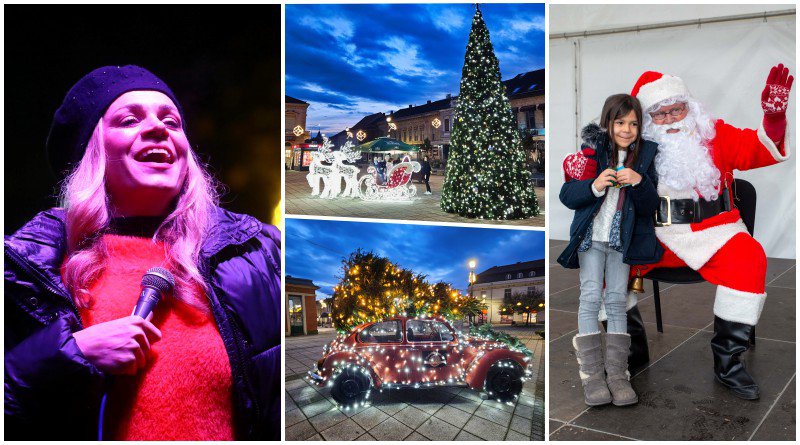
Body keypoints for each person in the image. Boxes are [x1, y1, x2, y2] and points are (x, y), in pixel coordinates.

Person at [4, 66, 281, 440]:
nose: (158, 128)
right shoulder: (26, 269)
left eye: (172, 121)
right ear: (91, 150)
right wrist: (66, 354)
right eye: (129, 119)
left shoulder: (258, 252)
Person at [623, 65, 793, 400]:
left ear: (690, 107)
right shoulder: (633, 148)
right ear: (645, 119)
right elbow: (598, 175)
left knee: (750, 258)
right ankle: (630, 349)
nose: (671, 118)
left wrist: (774, 118)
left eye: (677, 109)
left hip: (716, 231)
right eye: (659, 113)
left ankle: (728, 363)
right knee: (603, 263)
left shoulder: (715, 134)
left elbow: (759, 148)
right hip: (655, 235)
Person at [558, 94, 661, 407]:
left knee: (616, 302)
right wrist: (595, 185)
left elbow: (650, 206)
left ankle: (618, 375)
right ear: (608, 123)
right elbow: (567, 196)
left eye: (633, 123)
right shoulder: (591, 153)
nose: (627, 129)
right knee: (590, 298)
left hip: (621, 241)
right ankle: (592, 376)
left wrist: (640, 182)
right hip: (591, 239)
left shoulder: (645, 156)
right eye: (620, 122)